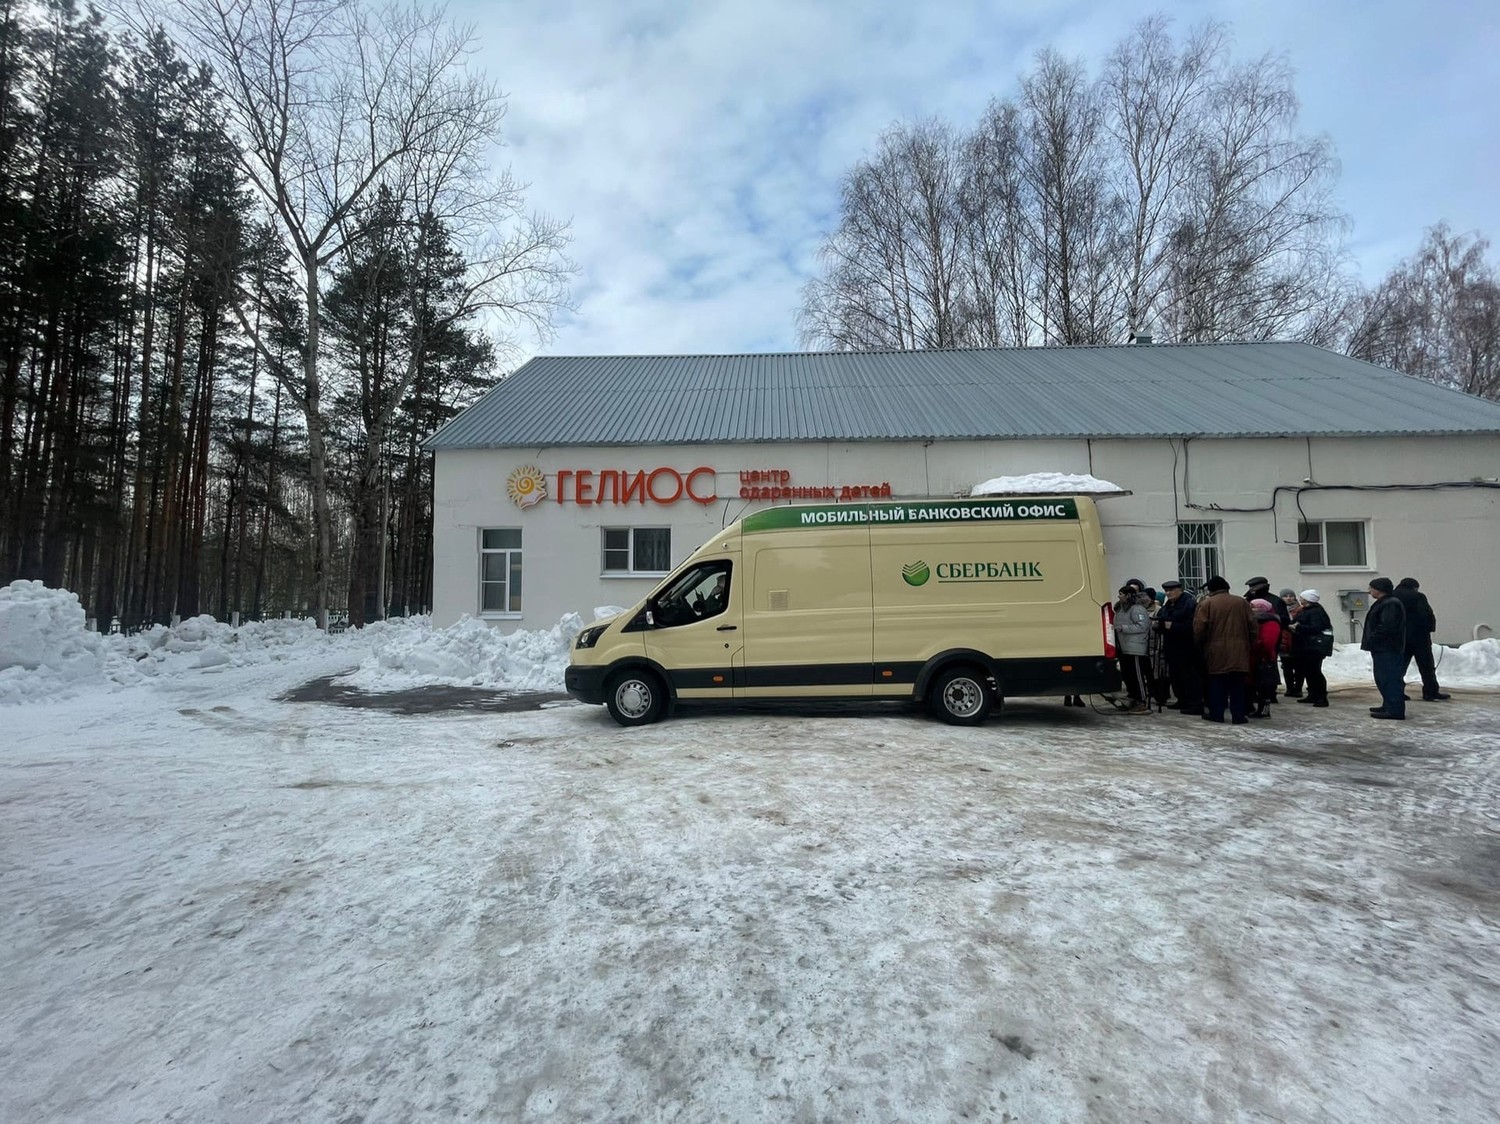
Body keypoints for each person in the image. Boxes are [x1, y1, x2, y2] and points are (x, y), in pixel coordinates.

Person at [1194, 575, 1258, 724]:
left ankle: (1217, 714)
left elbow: (1199, 628)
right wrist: (1248, 644)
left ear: (1211, 589)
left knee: (1217, 682)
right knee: (1237, 684)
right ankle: (1238, 715)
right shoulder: (1241, 602)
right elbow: (1253, 627)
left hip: (1216, 649)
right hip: (1239, 650)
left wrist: (1200, 645)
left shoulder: (1207, 604)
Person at [1393, 578, 1451, 701]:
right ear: (1414, 587)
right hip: (1419, 638)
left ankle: (1396, 692)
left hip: (1399, 638)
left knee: (1399, 667)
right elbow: (1426, 614)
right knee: (1426, 666)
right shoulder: (1418, 597)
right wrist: (1429, 628)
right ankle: (1430, 692)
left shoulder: (1392, 596)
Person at [1362, 577, 1408, 720]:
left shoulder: (1390, 604)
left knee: (1390, 678)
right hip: (1383, 648)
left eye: (1371, 588)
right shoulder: (1384, 602)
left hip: (1388, 648)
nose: (1369, 591)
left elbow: (1387, 626)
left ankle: (1395, 709)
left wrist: (1373, 638)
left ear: (1379, 589)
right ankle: (1388, 704)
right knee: (1383, 678)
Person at [1154, 579, 1202, 714]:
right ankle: (1182, 699)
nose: (1168, 593)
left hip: (1186, 647)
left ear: (1179, 590)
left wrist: (1173, 626)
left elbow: (1193, 626)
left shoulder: (1189, 603)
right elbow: (1162, 616)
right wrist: (1159, 625)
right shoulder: (1168, 605)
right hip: (1171, 646)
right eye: (1166, 591)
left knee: (1189, 676)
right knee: (1175, 676)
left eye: (1171, 590)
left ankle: (1195, 703)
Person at [1244, 577, 1291, 701]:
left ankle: (1269, 693)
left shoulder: (1275, 601)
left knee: (1268, 665)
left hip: (1271, 637)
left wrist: (1270, 620)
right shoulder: (1249, 599)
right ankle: (1255, 691)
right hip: (1255, 639)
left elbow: (1285, 620)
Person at [1114, 585, 1154, 714]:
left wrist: (1123, 628)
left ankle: (1142, 701)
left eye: (1121, 594)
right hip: (1124, 647)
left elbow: (1143, 626)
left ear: (1128, 595)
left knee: (1137, 676)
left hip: (1136, 648)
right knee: (1128, 675)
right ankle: (1132, 699)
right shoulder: (1122, 609)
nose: (1119, 596)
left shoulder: (1137, 609)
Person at [1289, 590, 1332, 707]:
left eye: (1302, 597)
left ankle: (1321, 697)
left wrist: (1298, 627)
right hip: (1305, 646)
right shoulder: (1307, 610)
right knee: (1308, 671)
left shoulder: (1316, 612)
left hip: (1313, 647)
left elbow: (1316, 627)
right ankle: (1312, 694)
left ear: (1308, 599)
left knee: (1315, 672)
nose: (1299, 599)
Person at [1248, 599, 1283, 718]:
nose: (1251, 609)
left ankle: (1264, 710)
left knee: (1264, 686)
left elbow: (1267, 643)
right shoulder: (1258, 621)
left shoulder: (1270, 622)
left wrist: (1254, 645)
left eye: (1253, 607)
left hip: (1264, 658)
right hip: (1256, 657)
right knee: (1257, 685)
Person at [1278, 588, 1304, 698]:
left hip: (1297, 642)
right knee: (1287, 667)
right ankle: (1289, 688)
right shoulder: (1279, 609)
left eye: (1291, 596)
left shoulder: (1301, 610)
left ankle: (1298, 689)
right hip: (1284, 642)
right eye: (1285, 596)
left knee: (1299, 667)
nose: (1288, 598)